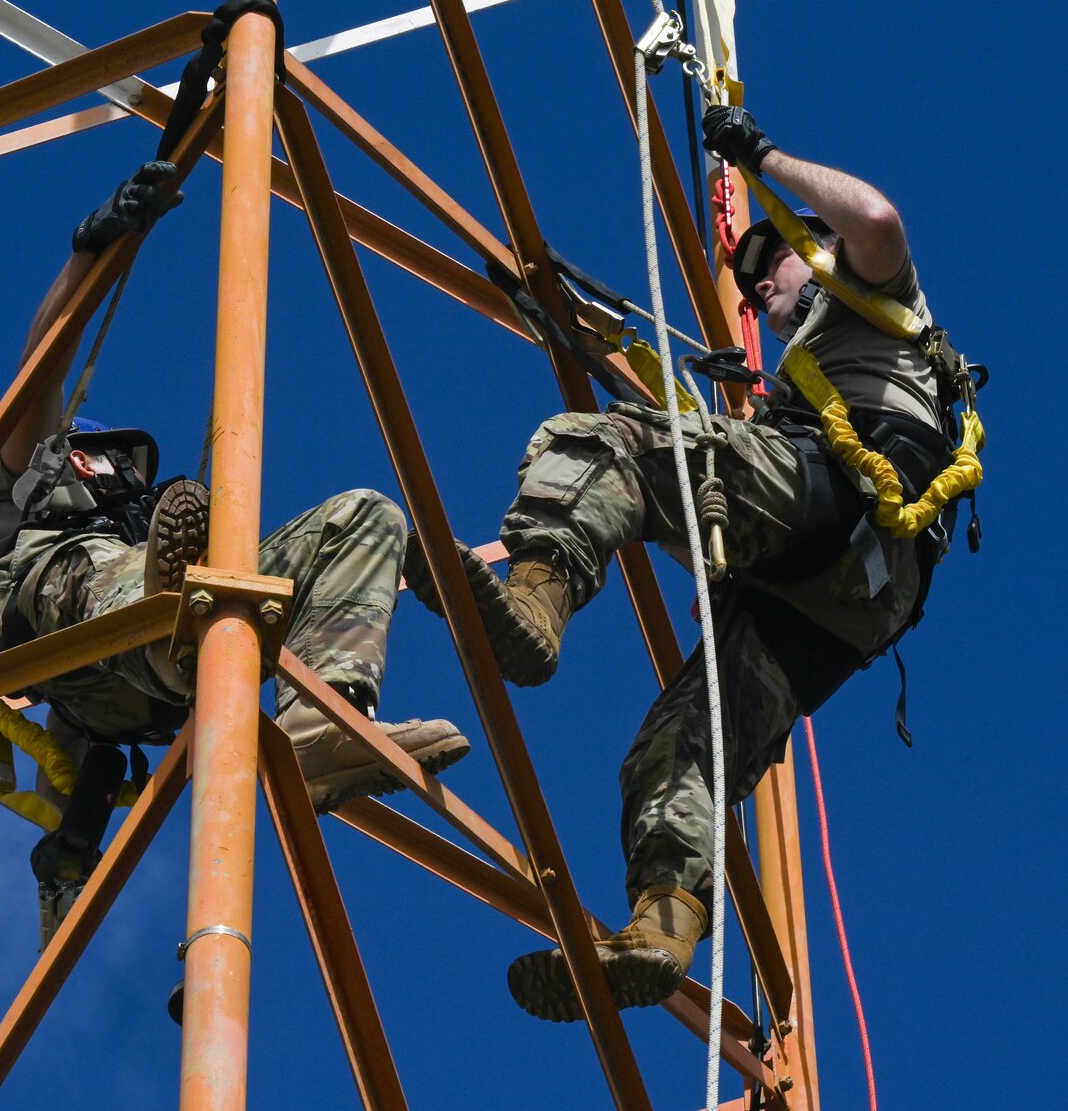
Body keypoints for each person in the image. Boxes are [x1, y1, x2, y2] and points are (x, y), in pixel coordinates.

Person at [404, 109, 977, 1019]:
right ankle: (663, 925)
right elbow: (677, 523)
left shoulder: (876, 298)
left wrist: (763, 159)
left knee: (602, 440)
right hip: (845, 598)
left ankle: (542, 604)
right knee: (680, 747)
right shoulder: (802, 383)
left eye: (768, 262)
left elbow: (876, 221)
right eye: (747, 285)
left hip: (845, 501)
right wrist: (459, 561)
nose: (754, 290)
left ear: (809, 243)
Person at [0, 160, 473, 859]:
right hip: (65, 628)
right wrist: (92, 249)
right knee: (127, 572)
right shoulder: (28, 493)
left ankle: (323, 723)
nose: (107, 472)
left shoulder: (134, 526)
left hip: (152, 687)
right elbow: (41, 372)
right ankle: (184, 618)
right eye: (96, 457)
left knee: (364, 518)